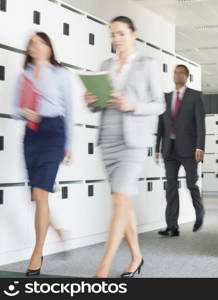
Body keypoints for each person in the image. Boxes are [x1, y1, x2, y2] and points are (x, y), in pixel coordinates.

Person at [84, 16, 165, 278]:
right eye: (113, 34)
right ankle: (137, 257)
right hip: (108, 140)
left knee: (120, 199)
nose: (116, 39)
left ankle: (103, 268)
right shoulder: (105, 64)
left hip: (132, 143)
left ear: (133, 34)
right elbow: (99, 105)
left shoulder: (147, 65)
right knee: (124, 202)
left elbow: (159, 104)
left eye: (120, 33)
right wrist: (91, 100)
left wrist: (134, 106)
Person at [12, 32, 73, 276]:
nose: (35, 46)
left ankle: (36, 254)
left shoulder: (61, 74)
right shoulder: (23, 76)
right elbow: (14, 109)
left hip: (53, 133)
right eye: (31, 43)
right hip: (31, 135)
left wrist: (69, 143)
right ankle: (58, 231)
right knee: (37, 197)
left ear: (49, 47)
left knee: (40, 193)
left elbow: (70, 111)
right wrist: (23, 112)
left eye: (40, 42)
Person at [155, 64, 206, 237]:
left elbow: (201, 124)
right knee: (170, 188)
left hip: (189, 150)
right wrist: (157, 148)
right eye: (175, 72)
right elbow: (161, 124)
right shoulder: (166, 97)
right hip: (170, 150)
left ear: (187, 76)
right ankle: (172, 227)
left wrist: (200, 147)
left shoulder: (195, 96)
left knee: (191, 184)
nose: (177, 75)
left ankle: (199, 213)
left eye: (181, 73)